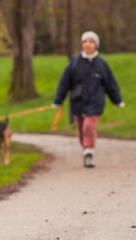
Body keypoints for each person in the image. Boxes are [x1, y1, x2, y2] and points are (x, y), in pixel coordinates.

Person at [53, 31, 124, 168]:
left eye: (91, 42)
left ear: (96, 45)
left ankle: (89, 153)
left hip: (95, 102)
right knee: (81, 130)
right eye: (85, 42)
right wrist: (58, 100)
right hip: (78, 103)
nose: (88, 44)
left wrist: (117, 100)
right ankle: (86, 148)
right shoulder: (74, 63)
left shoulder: (102, 64)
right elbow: (64, 83)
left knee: (88, 126)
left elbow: (111, 84)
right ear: (82, 44)